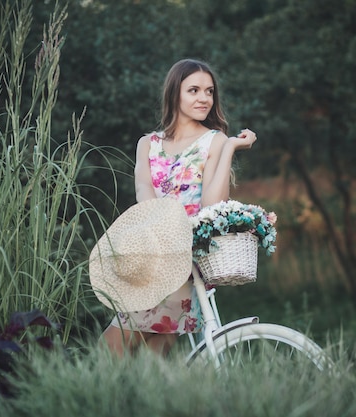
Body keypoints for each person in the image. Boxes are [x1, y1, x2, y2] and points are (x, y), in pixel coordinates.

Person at [100, 58, 257, 357]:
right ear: (175, 94)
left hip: (185, 257)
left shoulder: (215, 140)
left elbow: (213, 205)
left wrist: (230, 149)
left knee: (126, 350)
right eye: (194, 90)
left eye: (209, 92)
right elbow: (143, 190)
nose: (204, 99)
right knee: (134, 354)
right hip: (153, 252)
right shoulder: (148, 143)